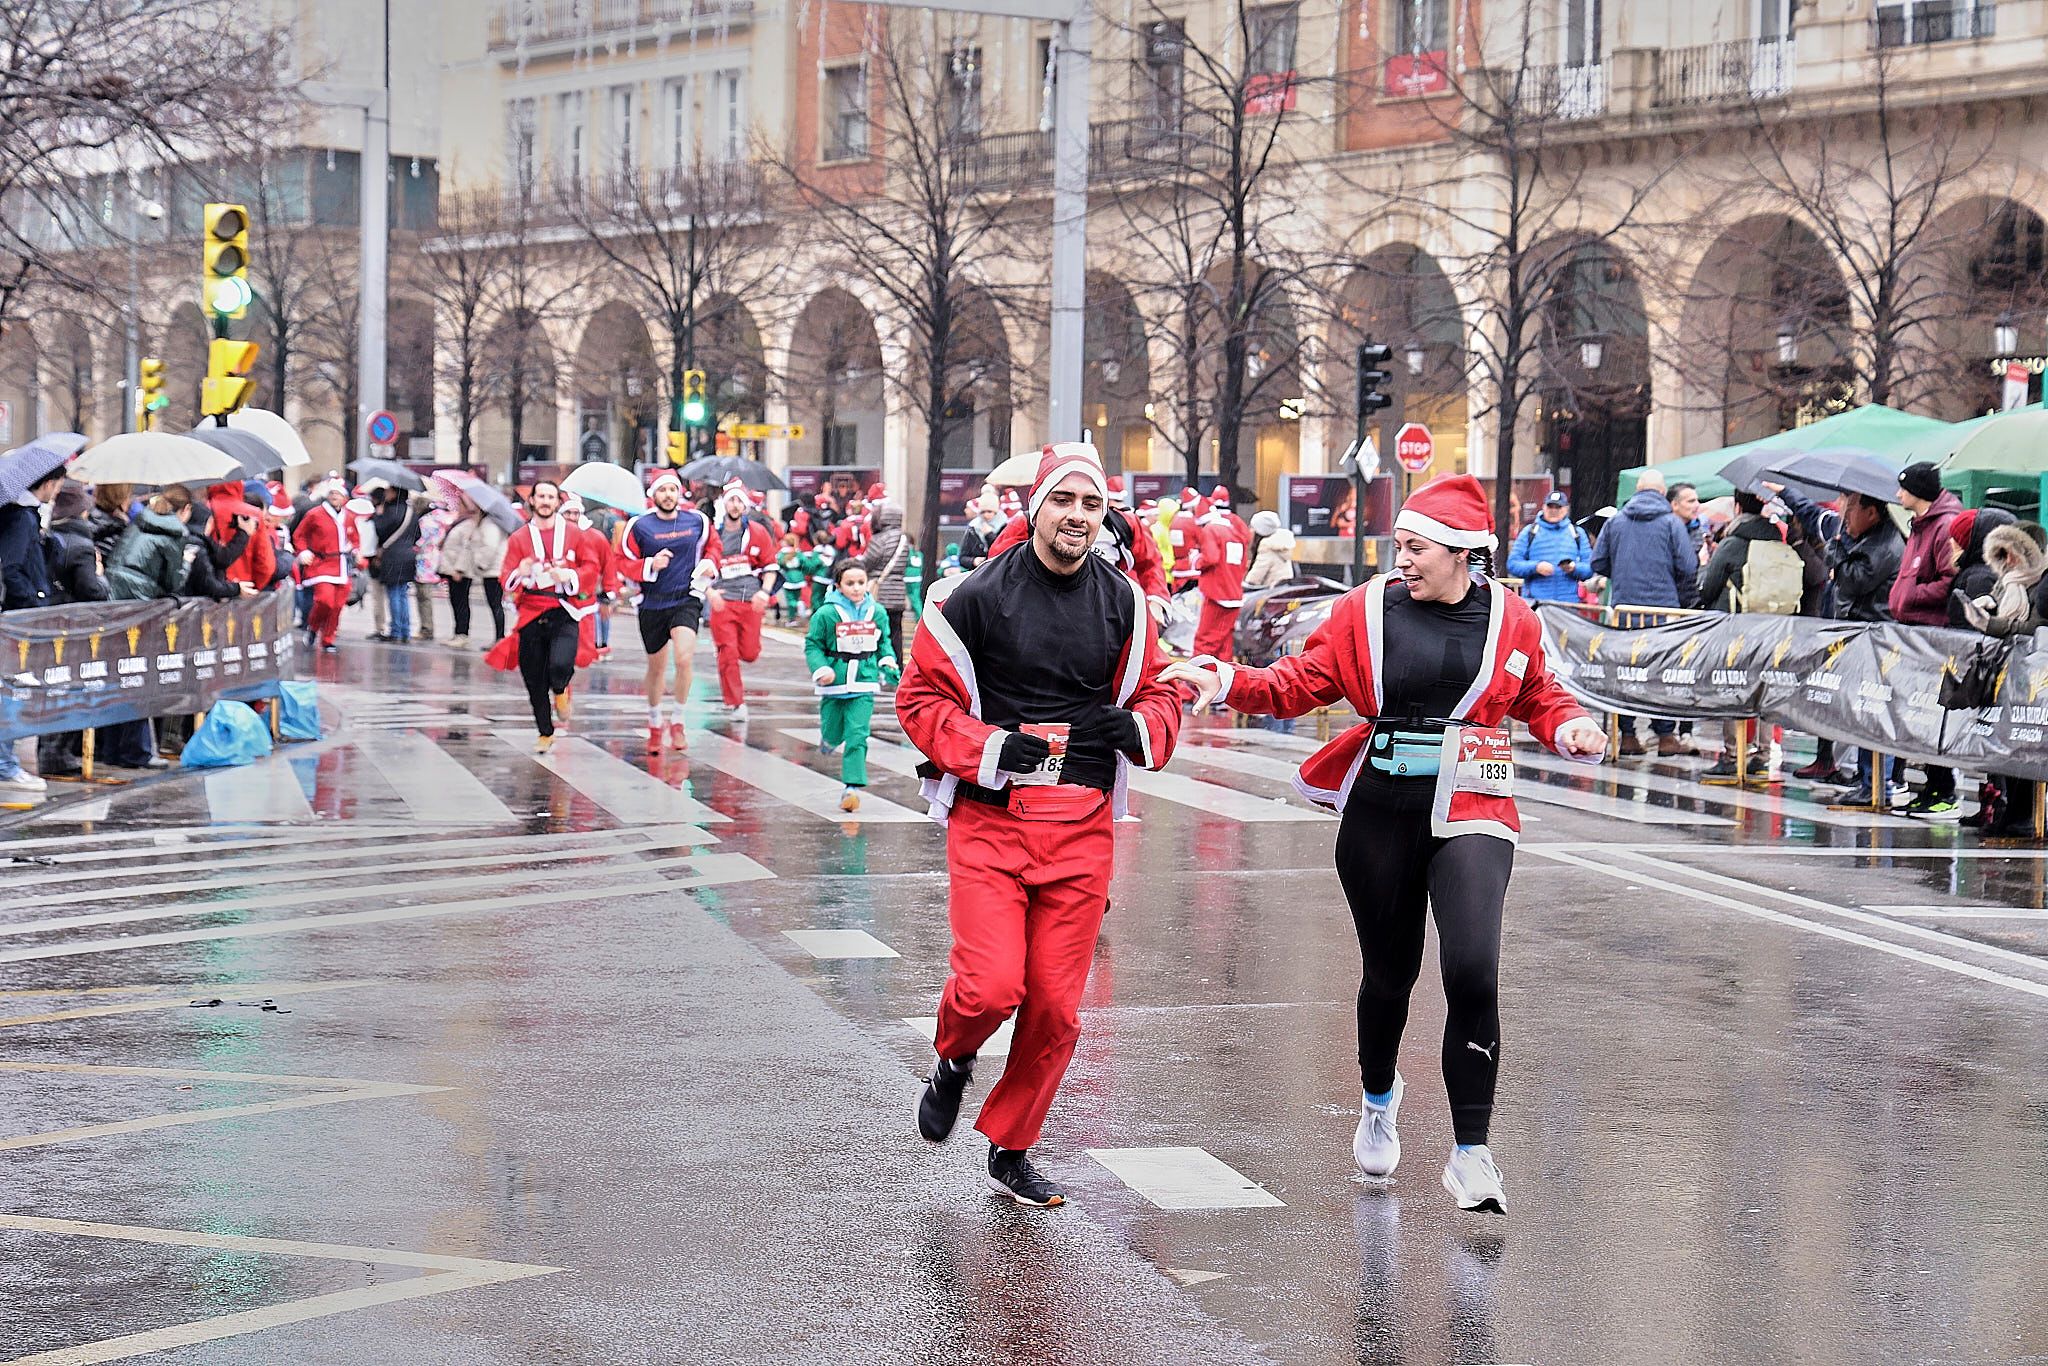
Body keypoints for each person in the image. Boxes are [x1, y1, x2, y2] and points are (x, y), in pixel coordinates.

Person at [1161, 474, 1608, 1215]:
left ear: (1462, 552)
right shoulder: (1363, 611)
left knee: (1473, 971)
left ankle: (1471, 1152)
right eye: (1398, 546)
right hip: (1381, 809)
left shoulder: (1512, 619)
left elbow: (1539, 695)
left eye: (1417, 548)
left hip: (1473, 807)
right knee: (1389, 977)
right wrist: (1225, 679)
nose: (1403, 559)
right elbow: (1297, 682)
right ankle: (1377, 1097)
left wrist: (1570, 727)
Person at [899, 448, 1188, 1207]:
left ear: (1105, 518)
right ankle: (954, 1059)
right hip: (992, 822)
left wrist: (1143, 726)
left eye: (1092, 505)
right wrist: (992, 748)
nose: (1078, 517)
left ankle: (1012, 1147)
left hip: (1083, 823)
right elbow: (920, 701)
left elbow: (1161, 691)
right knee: (993, 985)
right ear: (1036, 509)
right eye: (1064, 501)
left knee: (1057, 1008)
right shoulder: (974, 597)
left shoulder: (1123, 602)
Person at [1771, 484, 1906, 801]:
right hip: (1856, 635)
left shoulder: (1885, 542)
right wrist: (1786, 493)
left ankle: (1877, 784)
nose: (1843, 515)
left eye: (1849, 507)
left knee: (1874, 710)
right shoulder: (1855, 532)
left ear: (1871, 512)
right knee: (1859, 709)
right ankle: (1867, 781)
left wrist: (1834, 546)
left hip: (1877, 638)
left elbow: (1854, 577)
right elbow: (1814, 514)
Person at [485, 479, 604, 753]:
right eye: (541, 496)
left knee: (560, 664)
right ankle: (545, 731)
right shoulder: (519, 538)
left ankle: (561, 690)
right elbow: (506, 577)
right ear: (533, 502)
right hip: (530, 612)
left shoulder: (576, 535)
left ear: (558, 503)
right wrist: (521, 571)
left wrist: (570, 574)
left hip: (564, 610)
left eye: (551, 497)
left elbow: (591, 567)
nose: (546, 502)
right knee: (534, 678)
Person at [1694, 490, 1805, 781]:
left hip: (1738, 628)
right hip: (1773, 626)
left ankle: (1733, 755)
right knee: (1764, 688)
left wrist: (1705, 568)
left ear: (1737, 506)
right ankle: (1764, 753)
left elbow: (1707, 588)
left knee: (1734, 687)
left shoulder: (1733, 543)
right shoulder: (1777, 539)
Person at [1589, 470, 1695, 755]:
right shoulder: (1672, 523)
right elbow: (1688, 565)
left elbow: (1597, 562)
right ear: (1662, 494)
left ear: (1636, 492)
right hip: (1663, 614)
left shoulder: (1616, 522)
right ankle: (1665, 736)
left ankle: (1627, 735)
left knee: (1627, 672)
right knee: (1661, 672)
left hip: (1625, 612)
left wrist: (1623, 572)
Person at [1888, 462, 1965, 820]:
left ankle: (1944, 790)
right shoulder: (1920, 525)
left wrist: (1912, 595)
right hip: (1917, 634)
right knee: (1920, 714)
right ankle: (1930, 787)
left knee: (1934, 713)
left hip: (1935, 636)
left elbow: (1950, 581)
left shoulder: (1942, 526)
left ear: (1918, 491)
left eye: (1903, 487)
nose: (1898, 494)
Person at [618, 470, 712, 753]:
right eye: (662, 490)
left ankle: (678, 722)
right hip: (652, 602)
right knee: (656, 668)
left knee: (684, 659)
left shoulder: (697, 520)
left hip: (686, 598)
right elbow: (622, 562)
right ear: (653, 495)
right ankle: (655, 723)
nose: (668, 495)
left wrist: (710, 565)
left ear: (679, 493)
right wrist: (650, 565)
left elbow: (712, 548)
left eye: (672, 489)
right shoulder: (639, 525)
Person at [805, 559, 898, 812]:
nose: (857, 588)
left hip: (864, 683)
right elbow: (813, 644)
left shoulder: (877, 612)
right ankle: (829, 738)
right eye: (850, 583)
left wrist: (888, 662)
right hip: (833, 684)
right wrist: (821, 669)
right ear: (838, 585)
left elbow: (884, 642)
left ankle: (852, 788)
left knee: (858, 735)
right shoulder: (826, 614)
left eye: (861, 582)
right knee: (833, 730)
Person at [702, 478, 779, 721]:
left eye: (739, 501)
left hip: (750, 601)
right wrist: (710, 592)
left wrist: (764, 593)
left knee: (749, 653)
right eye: (730, 500)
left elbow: (770, 566)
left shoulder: (757, 533)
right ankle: (735, 703)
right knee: (728, 653)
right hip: (722, 601)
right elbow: (698, 567)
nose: (735, 505)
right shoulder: (712, 534)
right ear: (723, 504)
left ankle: (729, 656)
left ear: (745, 506)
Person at [1192, 490, 1254, 660]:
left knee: (1204, 641)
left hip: (1216, 592)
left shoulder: (1211, 530)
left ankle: (1195, 682)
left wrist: (1197, 561)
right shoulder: (1235, 530)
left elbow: (1210, 557)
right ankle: (1223, 680)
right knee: (1224, 642)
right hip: (1234, 592)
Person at [440, 495, 508, 647]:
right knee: (494, 604)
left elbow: (489, 547)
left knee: (495, 604)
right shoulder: (483, 524)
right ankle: (499, 638)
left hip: (493, 571)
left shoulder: (490, 525)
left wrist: (480, 564)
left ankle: (500, 638)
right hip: (490, 570)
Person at [1504, 492, 1593, 604]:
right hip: (1536, 605)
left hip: (1568, 606)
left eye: (1558, 507)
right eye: (1550, 506)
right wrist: (1536, 567)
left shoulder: (1577, 533)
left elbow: (1590, 569)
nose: (1553, 511)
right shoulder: (1529, 532)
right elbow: (1512, 564)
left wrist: (1573, 568)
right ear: (1543, 507)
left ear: (1566, 509)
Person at [859, 498, 912, 655]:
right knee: (896, 633)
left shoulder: (880, 539)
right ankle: (897, 666)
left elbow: (868, 562)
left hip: (880, 592)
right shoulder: (904, 539)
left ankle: (881, 664)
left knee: (878, 632)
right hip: (898, 593)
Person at [957, 497, 1002, 572]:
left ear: (995, 513)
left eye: (989, 512)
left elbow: (1003, 552)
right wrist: (973, 561)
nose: (986, 515)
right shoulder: (972, 529)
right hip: (977, 573)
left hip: (997, 573)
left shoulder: (1004, 527)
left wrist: (989, 535)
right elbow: (962, 558)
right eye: (983, 512)